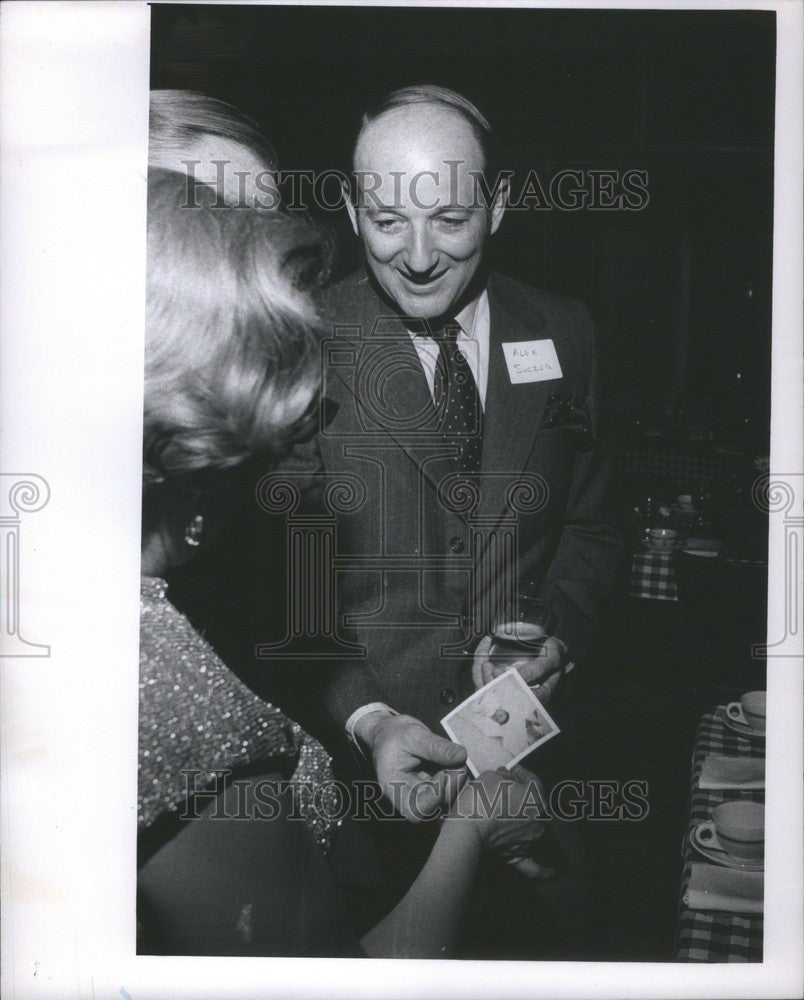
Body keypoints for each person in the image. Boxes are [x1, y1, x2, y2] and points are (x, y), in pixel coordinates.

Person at [137, 95, 549, 958]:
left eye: (270, 237)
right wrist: (469, 819)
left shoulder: (560, 330)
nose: (285, 293)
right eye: (237, 248)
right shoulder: (167, 693)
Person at [274, 83, 622, 955]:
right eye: (389, 222)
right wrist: (370, 719)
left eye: (451, 221)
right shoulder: (301, 342)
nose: (419, 256)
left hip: (532, 785)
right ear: (353, 211)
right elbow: (281, 574)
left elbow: (591, 523)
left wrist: (559, 638)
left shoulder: (566, 332)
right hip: (356, 809)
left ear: (498, 205)